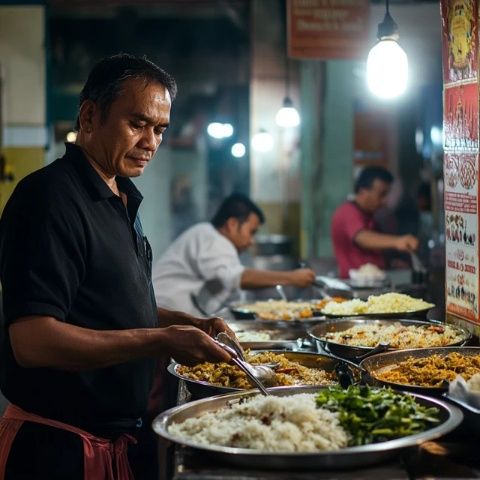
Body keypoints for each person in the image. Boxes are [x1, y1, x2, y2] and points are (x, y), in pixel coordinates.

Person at [0, 53, 234, 479]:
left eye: (160, 129)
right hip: (58, 449)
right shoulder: (49, 199)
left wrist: (190, 324)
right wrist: (159, 341)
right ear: (90, 117)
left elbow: (108, 305)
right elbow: (32, 341)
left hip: (113, 440)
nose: (151, 142)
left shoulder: (120, 197)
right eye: (137, 123)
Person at [152, 193, 316, 316]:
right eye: (251, 232)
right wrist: (292, 278)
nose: (251, 241)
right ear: (232, 224)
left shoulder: (215, 239)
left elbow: (231, 291)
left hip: (178, 317)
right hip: (163, 318)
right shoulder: (210, 237)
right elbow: (234, 278)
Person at [331, 166, 419, 278]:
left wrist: (391, 263)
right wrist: (398, 241)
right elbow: (362, 238)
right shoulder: (347, 212)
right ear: (363, 191)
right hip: (355, 286)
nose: (384, 201)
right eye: (381, 194)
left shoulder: (370, 217)